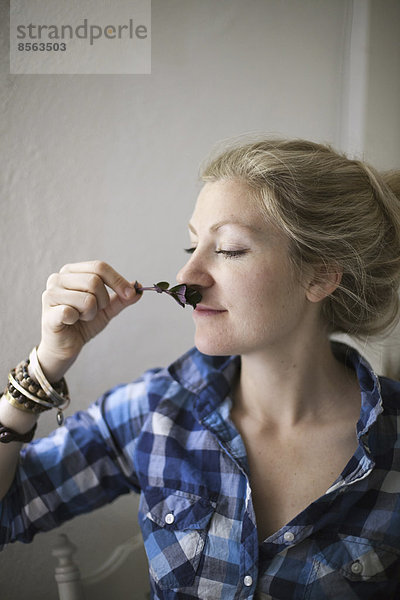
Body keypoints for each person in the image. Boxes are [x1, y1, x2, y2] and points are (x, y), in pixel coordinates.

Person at [0, 138, 400, 600]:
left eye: (229, 249)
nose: (187, 276)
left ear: (321, 276)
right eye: (192, 244)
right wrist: (45, 365)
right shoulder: (157, 411)